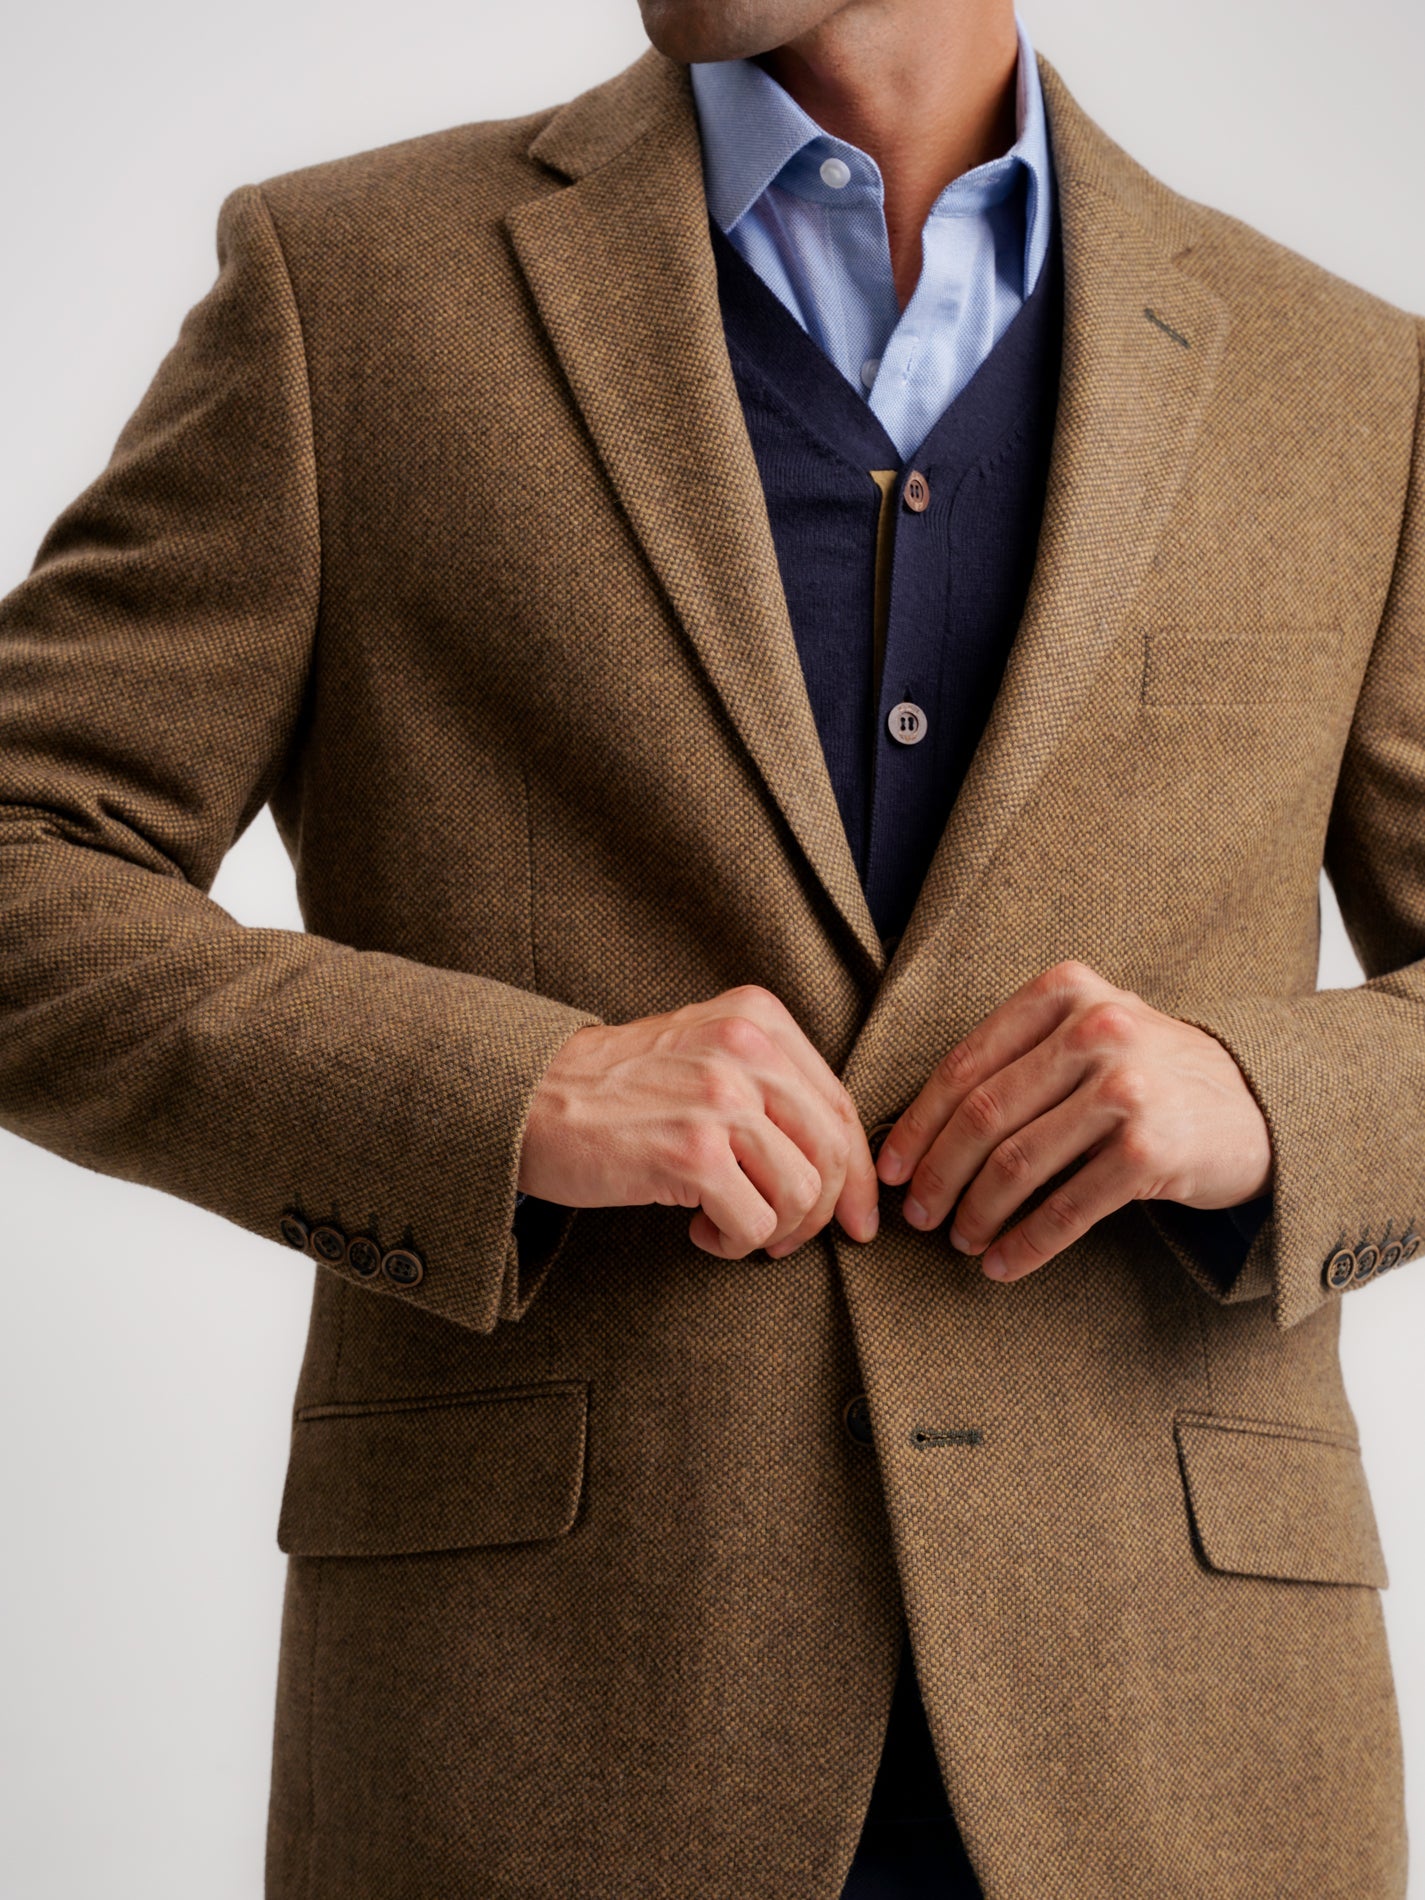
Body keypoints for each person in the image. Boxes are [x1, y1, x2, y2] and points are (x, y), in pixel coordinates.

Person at [0, 0, 1417, 1891]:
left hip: (1185, 1748)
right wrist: (512, 1093)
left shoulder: (1342, 380)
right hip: (539, 1734)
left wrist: (1267, 1094)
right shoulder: (350, 292)